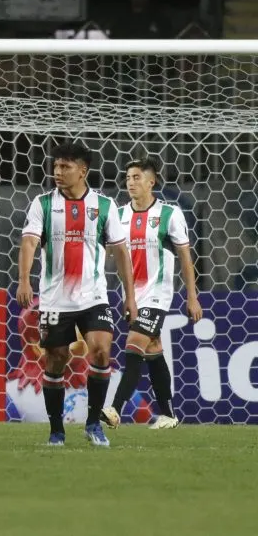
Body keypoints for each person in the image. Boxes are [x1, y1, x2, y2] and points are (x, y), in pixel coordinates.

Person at [17, 141, 137, 448]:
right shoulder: (42, 204)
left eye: (66, 167)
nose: (58, 172)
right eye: (56, 166)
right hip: (55, 299)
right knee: (56, 360)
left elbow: (121, 252)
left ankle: (93, 423)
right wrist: (24, 281)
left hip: (93, 296)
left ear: (82, 171)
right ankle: (56, 430)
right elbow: (29, 243)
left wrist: (130, 296)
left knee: (101, 351)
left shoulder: (104, 206)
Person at [102, 157, 202, 430]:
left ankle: (115, 409)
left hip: (158, 293)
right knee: (153, 351)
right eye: (128, 178)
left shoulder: (170, 214)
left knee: (133, 346)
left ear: (151, 181)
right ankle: (169, 414)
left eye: (136, 177)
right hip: (132, 296)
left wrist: (192, 297)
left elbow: (185, 257)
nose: (130, 183)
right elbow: (113, 254)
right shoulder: (119, 215)